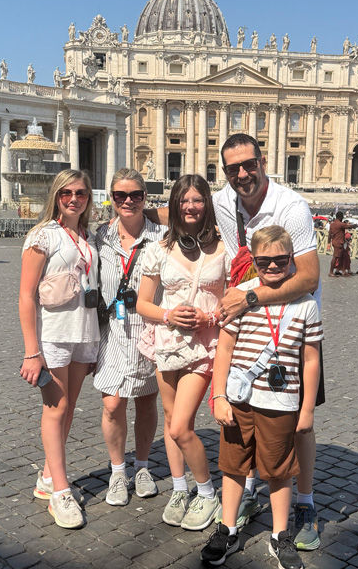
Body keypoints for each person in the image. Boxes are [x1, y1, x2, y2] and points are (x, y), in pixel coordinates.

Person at [210, 134, 323, 551]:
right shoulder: (224, 202)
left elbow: (308, 277)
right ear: (225, 172)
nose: (242, 174)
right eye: (233, 168)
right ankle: (246, 492)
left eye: (249, 164)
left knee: (298, 422)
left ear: (262, 161)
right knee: (244, 413)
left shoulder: (291, 206)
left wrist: (250, 297)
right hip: (246, 324)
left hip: (291, 324)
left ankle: (305, 502)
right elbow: (185, 211)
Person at [202, 226, 321, 569]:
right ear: (253, 261)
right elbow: (224, 350)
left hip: (282, 401)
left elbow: (311, 360)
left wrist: (307, 409)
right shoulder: (239, 295)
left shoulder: (306, 303)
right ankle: (227, 528)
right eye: (264, 261)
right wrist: (219, 396)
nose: (272, 266)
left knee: (280, 470)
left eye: (280, 260)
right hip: (240, 398)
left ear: (292, 259)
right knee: (233, 465)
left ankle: (280, 534)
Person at [136, 175, 230, 531]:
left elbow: (233, 300)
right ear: (175, 205)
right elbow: (143, 303)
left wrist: (211, 317)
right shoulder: (158, 249)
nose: (190, 207)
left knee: (179, 427)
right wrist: (168, 315)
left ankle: (206, 492)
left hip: (205, 345)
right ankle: (179, 488)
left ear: (207, 204)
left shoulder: (225, 247)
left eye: (197, 200)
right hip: (167, 342)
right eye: (184, 200)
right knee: (172, 418)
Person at [19, 169, 99, 530]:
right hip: (53, 335)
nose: (73, 199)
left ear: (88, 198)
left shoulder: (88, 236)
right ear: (56, 196)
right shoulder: (43, 235)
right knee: (56, 408)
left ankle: (49, 477)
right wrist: (31, 351)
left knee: (69, 409)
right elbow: (26, 296)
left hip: (84, 332)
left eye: (80, 193)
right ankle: (61, 493)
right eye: (66, 193)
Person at [92, 168, 165, 507]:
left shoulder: (162, 235)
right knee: (112, 404)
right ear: (112, 198)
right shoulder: (100, 236)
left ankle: (143, 465)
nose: (128, 201)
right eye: (121, 195)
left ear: (145, 197)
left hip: (149, 328)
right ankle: (118, 470)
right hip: (113, 328)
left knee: (146, 401)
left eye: (136, 195)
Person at [327, 212, 354, 277]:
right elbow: (348, 226)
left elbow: (329, 234)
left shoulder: (332, 224)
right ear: (341, 217)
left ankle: (341, 271)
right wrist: (355, 225)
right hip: (339, 243)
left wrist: (328, 242)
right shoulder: (340, 224)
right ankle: (331, 272)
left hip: (334, 242)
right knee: (335, 257)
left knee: (341, 256)